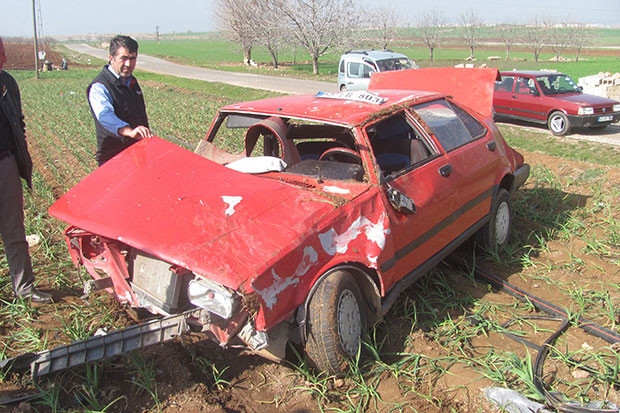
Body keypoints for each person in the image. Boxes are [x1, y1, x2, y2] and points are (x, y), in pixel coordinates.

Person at [0, 37, 52, 304]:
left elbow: (18, 121)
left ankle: (25, 288)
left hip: (5, 163)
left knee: (14, 230)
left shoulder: (7, 83)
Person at [87, 35, 152, 166]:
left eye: (133, 58)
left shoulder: (132, 82)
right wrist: (129, 131)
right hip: (113, 158)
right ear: (111, 58)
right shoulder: (100, 86)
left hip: (137, 154)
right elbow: (105, 115)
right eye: (124, 58)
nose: (128, 64)